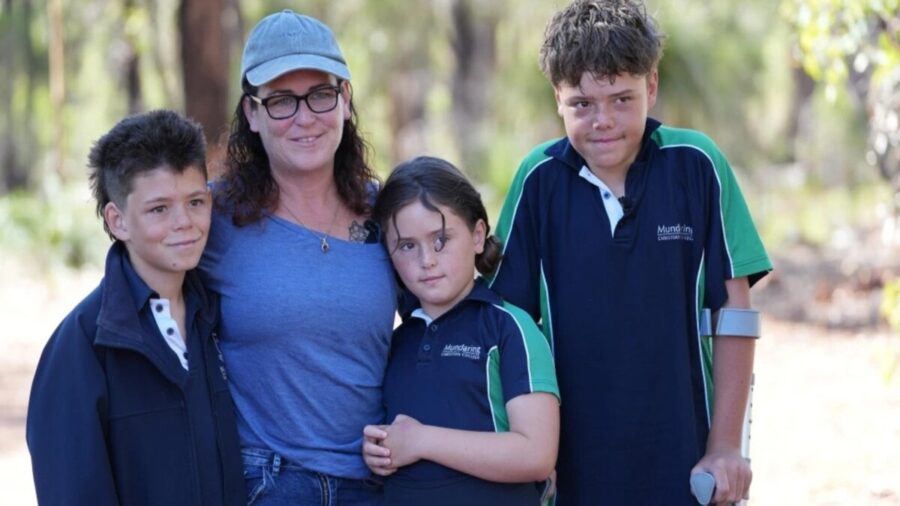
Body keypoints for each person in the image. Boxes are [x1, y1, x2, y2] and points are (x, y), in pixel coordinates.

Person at [487, 1, 773, 505]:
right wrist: (523, 450)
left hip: (685, 455)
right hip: (571, 465)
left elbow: (735, 313)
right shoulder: (537, 181)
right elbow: (506, 326)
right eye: (582, 104)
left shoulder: (697, 166)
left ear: (653, 86)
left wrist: (726, 446)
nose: (604, 121)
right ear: (557, 98)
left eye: (622, 99)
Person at [198, 9, 397, 505]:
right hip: (266, 483)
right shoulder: (213, 217)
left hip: (378, 484)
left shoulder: (390, 212)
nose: (305, 118)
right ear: (252, 113)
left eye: (321, 95)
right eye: (282, 101)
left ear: (345, 100)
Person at [26, 110, 244, 505]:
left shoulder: (215, 318)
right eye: (159, 209)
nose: (185, 222)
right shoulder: (81, 346)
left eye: (195, 201)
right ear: (118, 220)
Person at [361, 156, 560, 506]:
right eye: (407, 245)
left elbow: (537, 454)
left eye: (441, 239)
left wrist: (422, 440)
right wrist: (379, 449)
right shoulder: (394, 341)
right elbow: (397, 441)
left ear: (478, 235)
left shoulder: (509, 328)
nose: (427, 260)